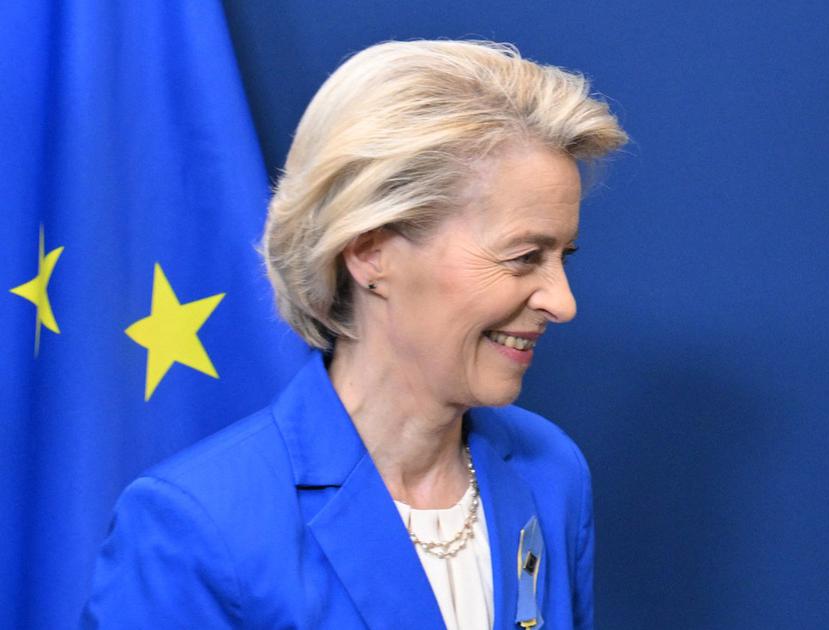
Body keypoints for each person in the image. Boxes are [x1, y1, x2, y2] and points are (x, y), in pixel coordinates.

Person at [82, 40, 626, 629]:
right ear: (370, 253)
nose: (562, 302)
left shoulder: (549, 470)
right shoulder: (196, 524)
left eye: (563, 257)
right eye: (523, 257)